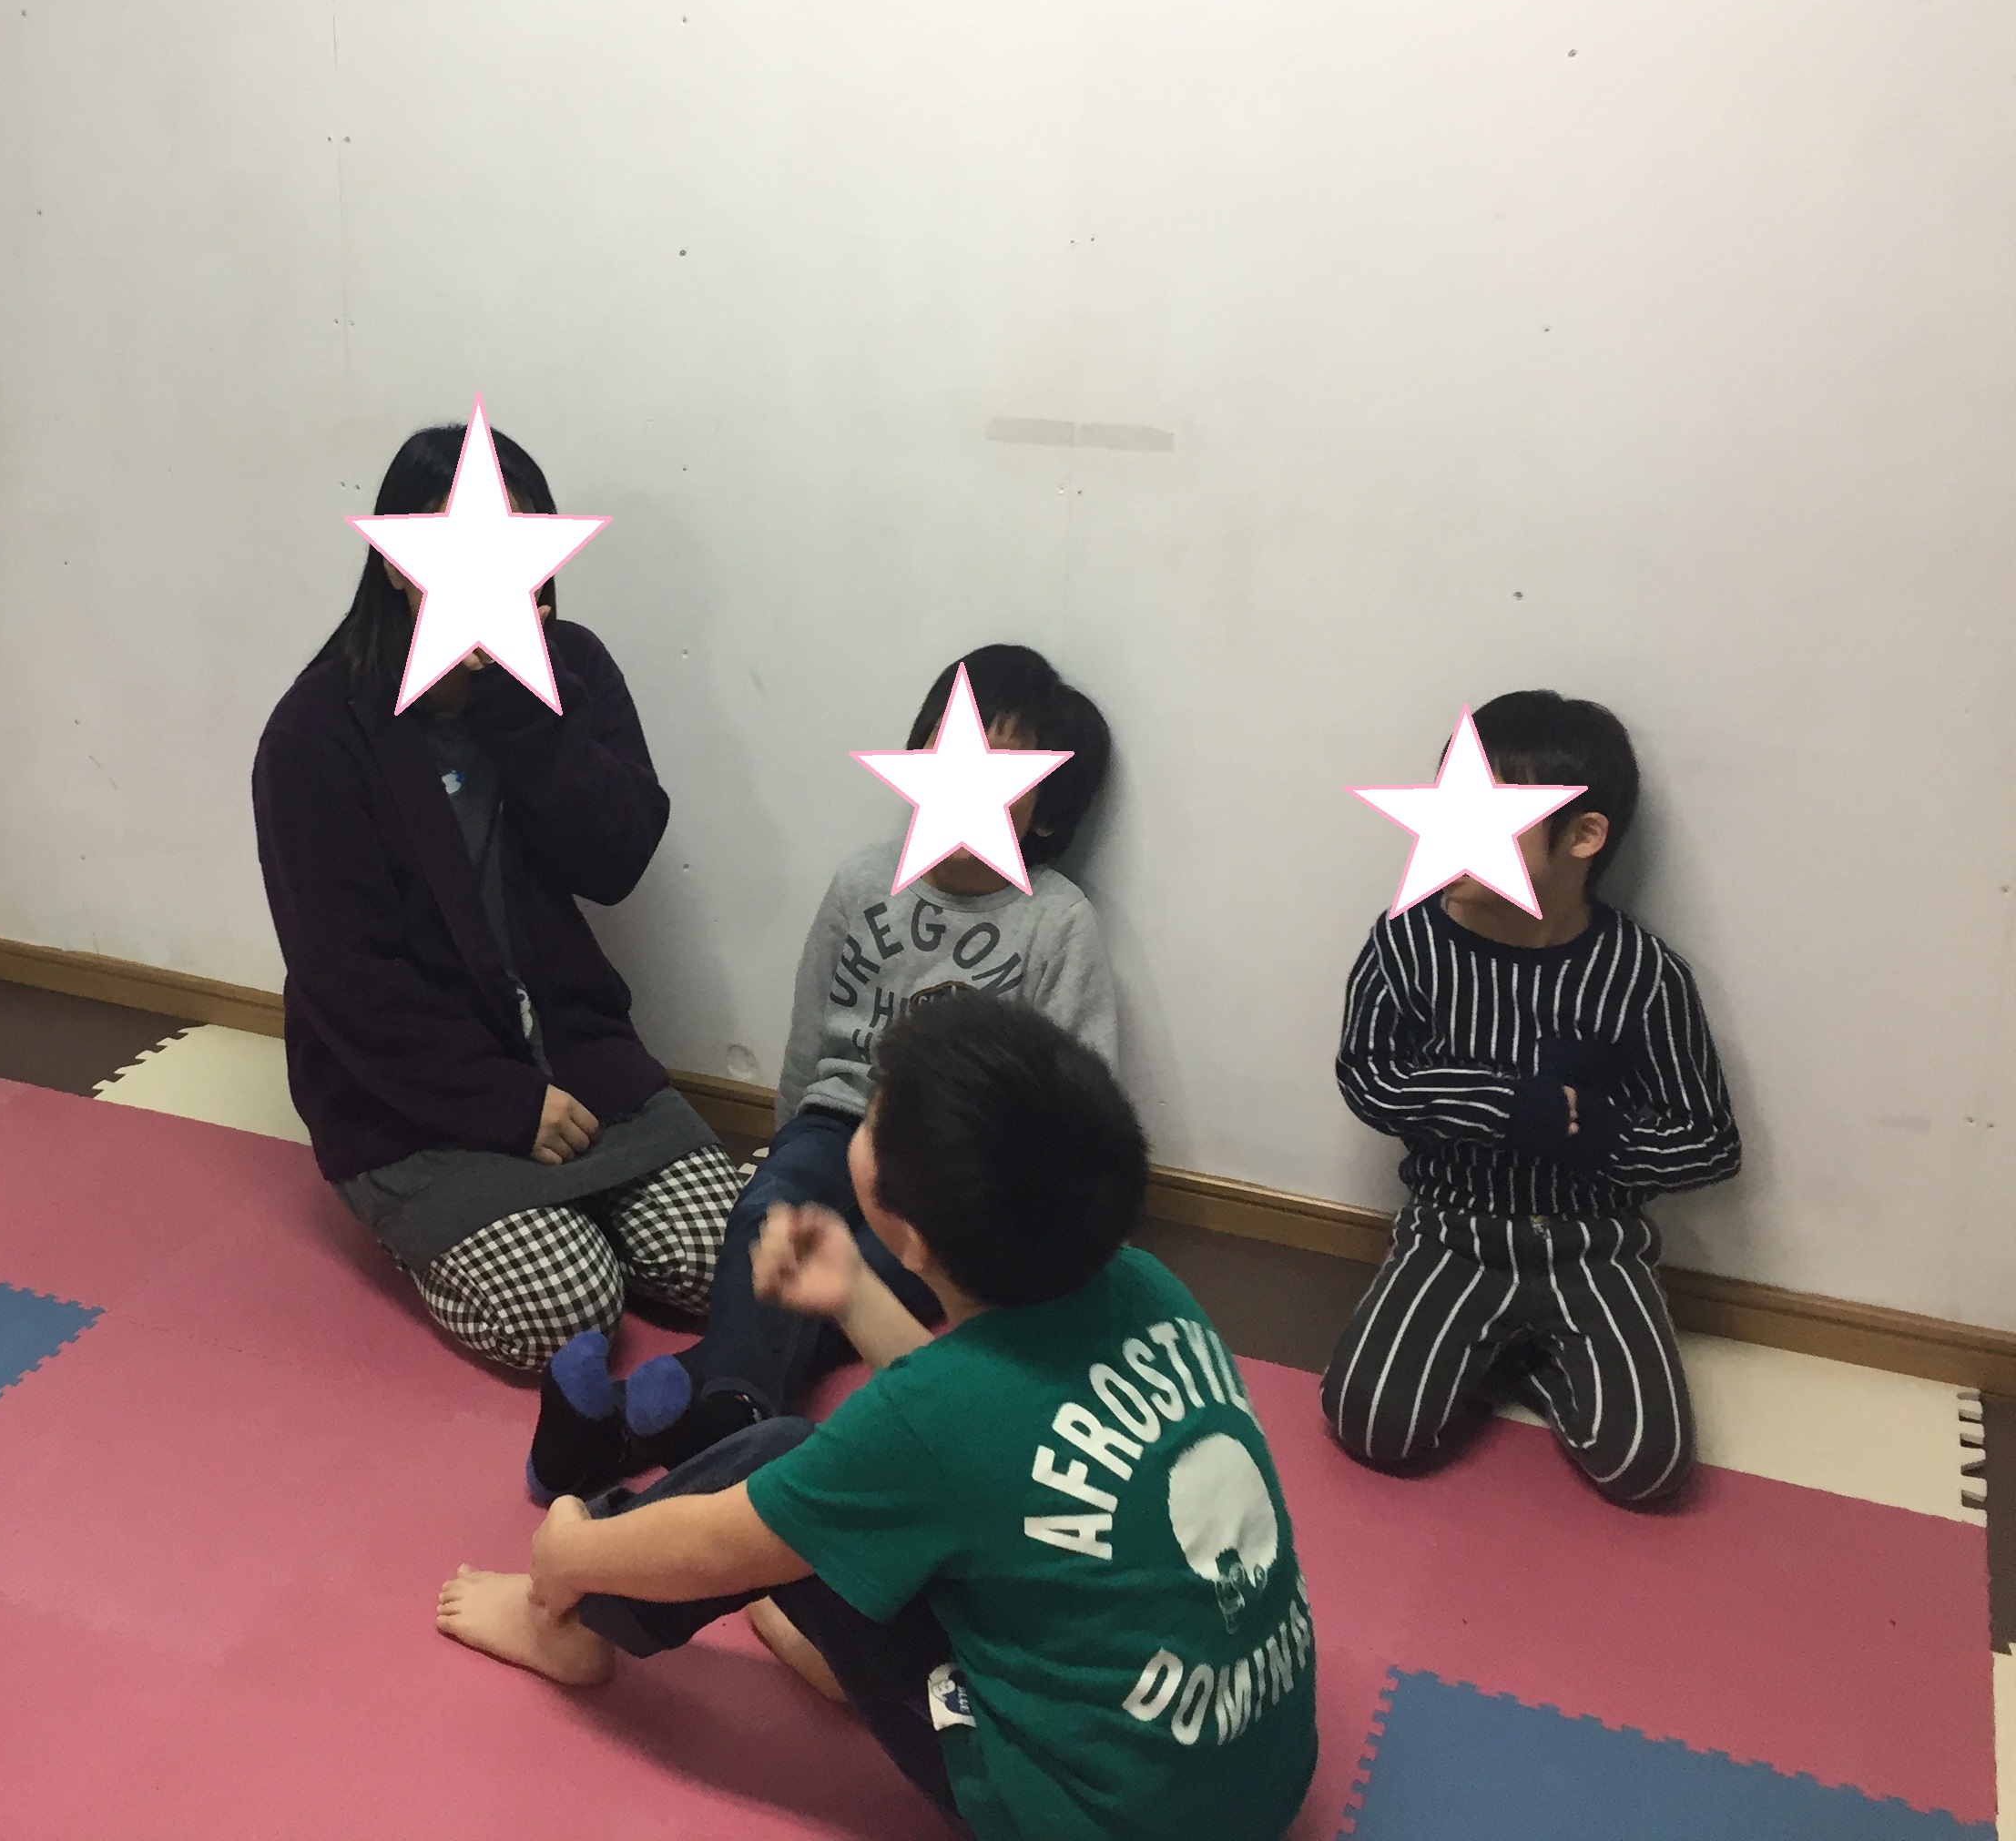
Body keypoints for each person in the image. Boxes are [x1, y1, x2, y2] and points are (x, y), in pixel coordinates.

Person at [437, 991, 1319, 1841]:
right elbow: (981, 1429)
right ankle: (847, 1657)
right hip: (1256, 1787)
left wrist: (569, 1555)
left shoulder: (930, 1419)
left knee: (776, 1459)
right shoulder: (1144, 1286)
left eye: (870, 1120)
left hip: (1077, 1816)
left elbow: (718, 1544)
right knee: (930, 1519)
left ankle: (567, 1623)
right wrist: (855, 1293)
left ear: (912, 1237)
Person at [529, 644, 1116, 1498]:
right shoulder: (863, 882)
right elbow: (812, 1028)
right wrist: (782, 1143)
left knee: (861, 1274)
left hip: (950, 1166)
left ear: (1049, 812)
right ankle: (729, 1410)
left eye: (1004, 766)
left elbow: (1080, 1097)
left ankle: (617, 1430)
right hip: (837, 1120)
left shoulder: (1057, 924)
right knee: (770, 1218)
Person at [252, 422, 745, 1371]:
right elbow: (343, 975)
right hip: (410, 1099)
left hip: (581, 1059)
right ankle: (452, 1232)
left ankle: (590, 1221)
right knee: (568, 1311)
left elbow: (616, 857)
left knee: (732, 1264)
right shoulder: (316, 733)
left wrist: (521, 699)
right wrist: (508, 1107)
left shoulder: (574, 668)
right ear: (396, 561)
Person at [1319, 690, 1738, 1506]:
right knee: (1371, 1425)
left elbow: (1710, 1141)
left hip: (1594, 1244)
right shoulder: (1408, 943)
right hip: (1453, 1229)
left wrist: (1597, 1132)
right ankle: (1480, 1344)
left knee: (1649, 1469)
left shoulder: (1642, 975)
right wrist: (1504, 1104)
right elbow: (1370, 1078)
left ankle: (1524, 1358)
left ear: (1583, 836)